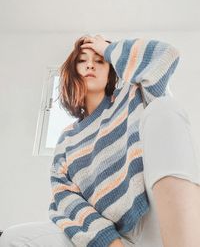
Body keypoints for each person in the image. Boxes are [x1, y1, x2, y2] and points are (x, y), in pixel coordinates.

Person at [1, 34, 200, 247]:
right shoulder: (67, 139)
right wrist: (110, 242)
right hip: (106, 235)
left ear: (110, 69)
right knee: (14, 238)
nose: (90, 65)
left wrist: (107, 48)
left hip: (155, 217)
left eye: (99, 60)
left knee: (163, 107)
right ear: (72, 70)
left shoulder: (131, 94)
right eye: (82, 60)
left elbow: (165, 57)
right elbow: (67, 198)